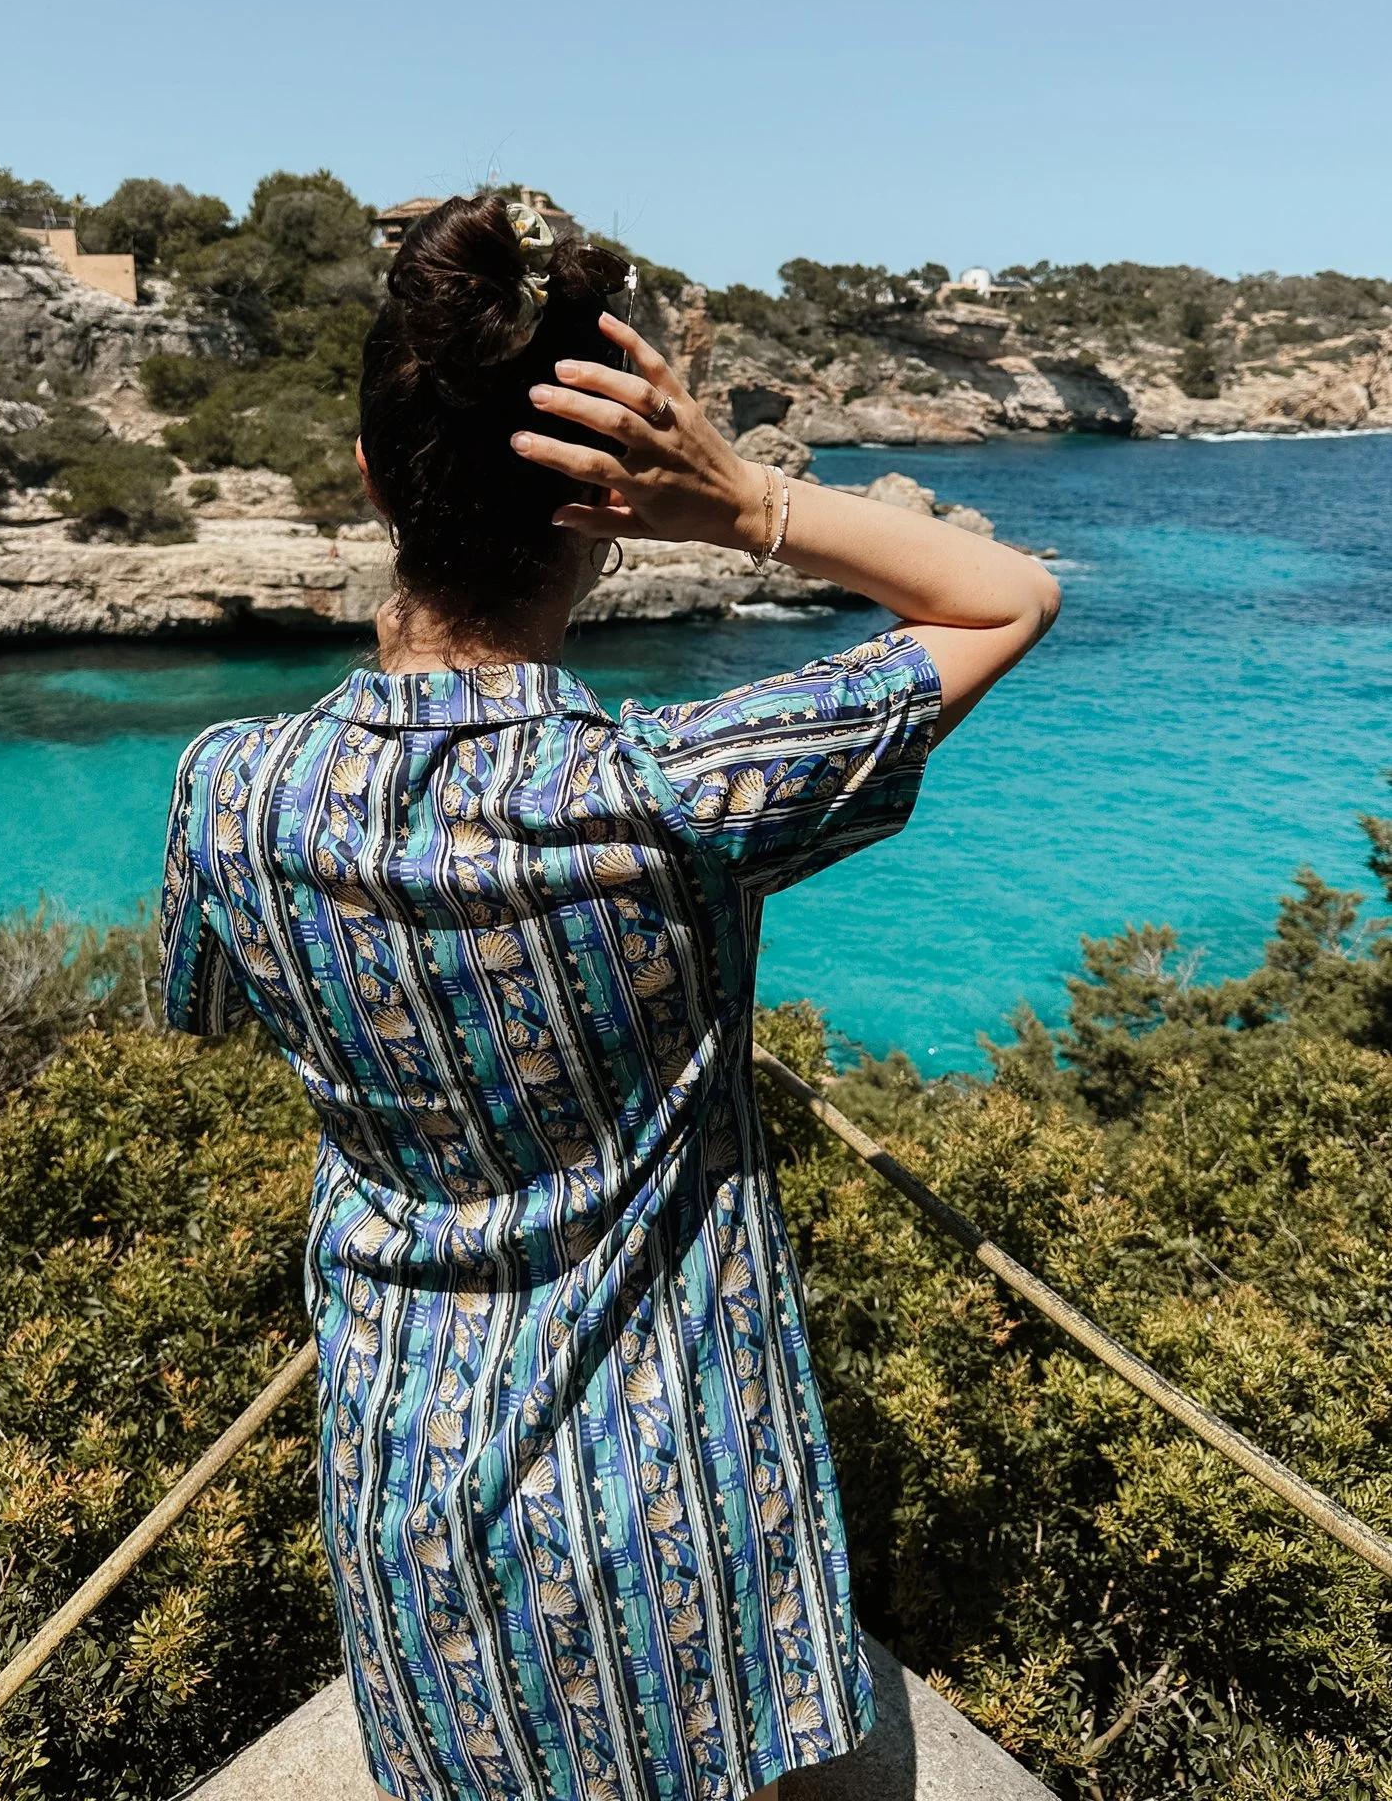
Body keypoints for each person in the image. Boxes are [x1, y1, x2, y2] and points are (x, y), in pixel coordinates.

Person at [159, 194, 1060, 1801]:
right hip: (681, 1503)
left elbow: (222, 1014)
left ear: (372, 482)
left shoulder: (232, 789)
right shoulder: (678, 790)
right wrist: (746, 501)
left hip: (410, 1478)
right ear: (605, 515)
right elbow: (1001, 599)